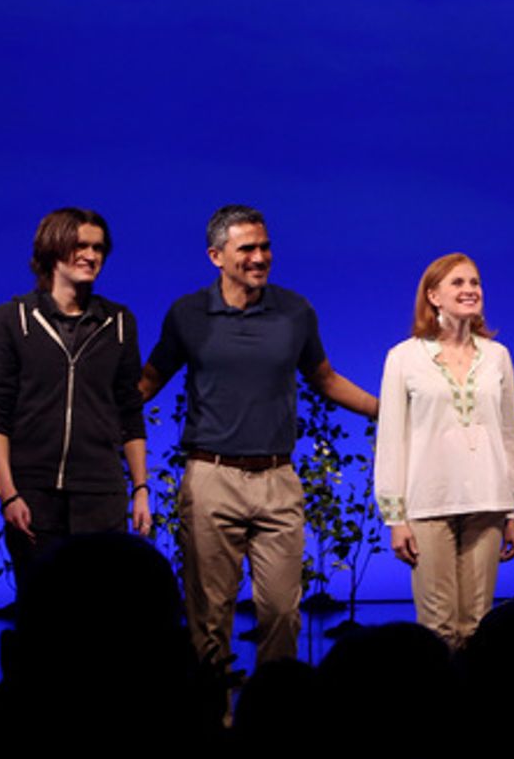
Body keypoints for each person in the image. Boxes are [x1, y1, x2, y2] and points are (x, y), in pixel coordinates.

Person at [139, 205, 378, 671]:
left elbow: (325, 379)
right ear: (216, 256)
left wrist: (385, 412)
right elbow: (148, 383)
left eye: (265, 246)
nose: (259, 256)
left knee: (283, 612)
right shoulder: (188, 314)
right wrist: (99, 420)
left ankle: (275, 720)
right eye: (246, 248)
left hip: (277, 478)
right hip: (212, 477)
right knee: (209, 617)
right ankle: (215, 721)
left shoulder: (295, 312)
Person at [0, 208, 150, 597]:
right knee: (43, 619)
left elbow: (129, 410)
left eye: (99, 248)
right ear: (53, 249)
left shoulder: (119, 323)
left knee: (99, 617)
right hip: (34, 498)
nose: (92, 255)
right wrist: (9, 493)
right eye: (81, 245)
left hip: (102, 497)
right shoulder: (13, 319)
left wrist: (140, 488)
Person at [374, 253, 514, 651]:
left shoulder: (497, 356)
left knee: (479, 626)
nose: (470, 290)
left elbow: (510, 434)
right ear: (433, 295)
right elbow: (391, 438)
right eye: (458, 283)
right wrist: (396, 517)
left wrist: (512, 510)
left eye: (474, 282)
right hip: (429, 502)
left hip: (488, 499)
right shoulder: (404, 357)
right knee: (438, 627)